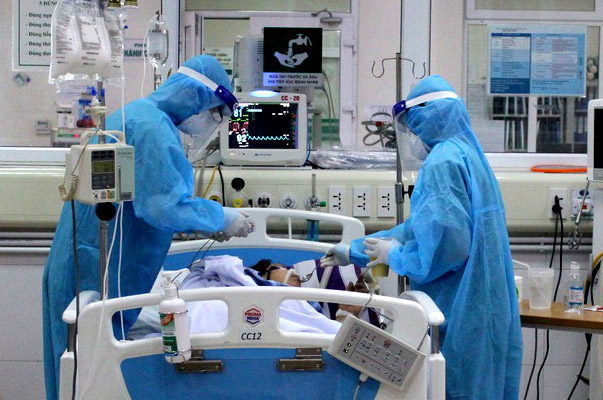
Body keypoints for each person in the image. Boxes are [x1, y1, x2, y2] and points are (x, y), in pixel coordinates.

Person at [42, 55, 252, 400]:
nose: (213, 123)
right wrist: (222, 218)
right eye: (216, 114)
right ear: (196, 95)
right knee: (85, 377)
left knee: (78, 374)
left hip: (89, 260)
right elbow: (163, 206)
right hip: (93, 270)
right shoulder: (153, 128)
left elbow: (150, 196)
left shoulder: (139, 115)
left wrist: (205, 222)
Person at [321, 75, 522, 399]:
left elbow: (447, 248)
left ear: (427, 118)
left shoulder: (441, 163)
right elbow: (419, 229)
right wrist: (354, 250)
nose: (412, 139)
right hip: (487, 309)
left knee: (457, 390)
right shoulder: (470, 156)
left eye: (412, 129)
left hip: (461, 314)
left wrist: (394, 256)